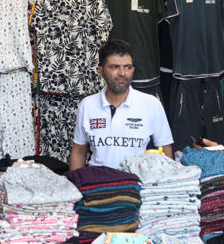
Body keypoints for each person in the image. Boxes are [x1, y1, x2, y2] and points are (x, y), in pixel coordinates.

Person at [70, 39, 175, 170]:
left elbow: (165, 149)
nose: (122, 73)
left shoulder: (151, 104)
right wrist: (76, 184)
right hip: (97, 185)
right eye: (114, 67)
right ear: (101, 71)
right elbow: (79, 151)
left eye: (127, 67)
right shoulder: (87, 105)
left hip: (136, 185)